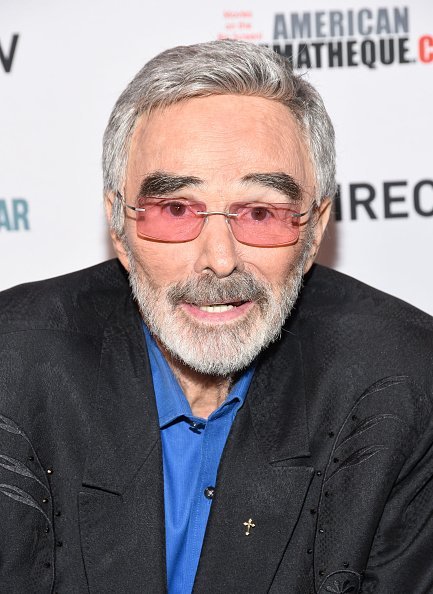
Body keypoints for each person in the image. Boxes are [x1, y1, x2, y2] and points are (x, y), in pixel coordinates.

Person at [0, 39, 432, 594]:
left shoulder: (405, 386)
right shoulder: (12, 372)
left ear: (316, 230)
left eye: (260, 212)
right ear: (119, 226)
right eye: (176, 209)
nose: (220, 260)